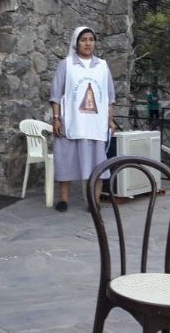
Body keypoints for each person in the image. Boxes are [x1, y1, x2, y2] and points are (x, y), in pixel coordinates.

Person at [49, 26, 116, 212]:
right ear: (76, 42)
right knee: (66, 161)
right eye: (83, 40)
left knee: (97, 163)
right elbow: (56, 94)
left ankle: (93, 202)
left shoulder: (102, 66)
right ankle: (63, 200)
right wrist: (56, 118)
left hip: (95, 125)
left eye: (91, 40)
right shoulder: (67, 64)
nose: (88, 43)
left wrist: (110, 120)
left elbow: (109, 97)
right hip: (71, 122)